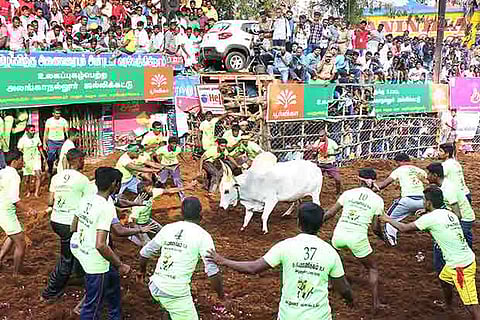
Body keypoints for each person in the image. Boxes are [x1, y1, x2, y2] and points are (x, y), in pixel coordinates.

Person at [207, 202, 353, 319]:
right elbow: (344, 288)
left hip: (289, 315)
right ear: (321, 224)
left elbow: (254, 268)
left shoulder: (286, 246)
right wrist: (349, 300)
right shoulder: (330, 252)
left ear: (298, 223)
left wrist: (223, 260)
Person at [381, 185, 480, 320]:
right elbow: (437, 225)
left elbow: (404, 228)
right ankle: (449, 306)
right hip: (459, 261)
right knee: (443, 278)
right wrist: (427, 214)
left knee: (471, 304)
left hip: (460, 267)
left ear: (428, 202)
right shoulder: (450, 214)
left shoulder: (430, 219)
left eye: (424, 200)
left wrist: (387, 219)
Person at [137, 197, 226, 320]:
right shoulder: (203, 236)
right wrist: (221, 297)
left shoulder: (168, 228)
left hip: (155, 286)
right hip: (175, 293)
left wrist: (142, 272)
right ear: (201, 214)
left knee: (169, 308)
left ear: (182, 213)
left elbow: (144, 253)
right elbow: (212, 272)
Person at [71, 167, 131, 319]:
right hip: (94, 260)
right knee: (92, 306)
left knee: (112, 279)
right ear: (114, 184)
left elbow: (73, 226)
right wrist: (120, 265)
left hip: (79, 248)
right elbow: (101, 245)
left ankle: (115, 315)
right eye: (119, 183)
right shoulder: (105, 207)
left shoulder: (86, 198)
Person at [323, 168, 384, 311]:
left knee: (335, 257)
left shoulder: (348, 193)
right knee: (372, 268)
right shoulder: (378, 200)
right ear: (374, 182)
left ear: (358, 180)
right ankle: (376, 303)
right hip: (357, 238)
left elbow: (331, 213)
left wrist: (317, 222)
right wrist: (382, 236)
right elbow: (375, 228)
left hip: (339, 235)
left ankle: (331, 284)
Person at [41, 149, 90, 302]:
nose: (84, 162)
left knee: (75, 247)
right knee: (66, 259)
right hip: (70, 223)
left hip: (56, 220)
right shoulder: (83, 180)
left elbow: (50, 201)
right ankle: (49, 292)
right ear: (79, 160)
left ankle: (79, 275)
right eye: (83, 160)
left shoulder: (56, 177)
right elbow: (88, 203)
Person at [374, 153, 426, 247]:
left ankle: (392, 243)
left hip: (407, 200)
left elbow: (383, 185)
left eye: (397, 163)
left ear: (400, 162)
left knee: (388, 220)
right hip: (424, 201)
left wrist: (370, 189)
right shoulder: (419, 170)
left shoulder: (399, 170)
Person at [426, 162, 474, 249]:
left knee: (450, 242)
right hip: (464, 215)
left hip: (464, 219)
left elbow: (458, 215)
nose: (427, 176)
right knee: (464, 241)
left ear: (435, 175)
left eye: (428, 173)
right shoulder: (444, 184)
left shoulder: (448, 189)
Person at [0, 151, 32, 276]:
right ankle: (16, 274)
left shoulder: (2, 171)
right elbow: (14, 199)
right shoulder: (14, 175)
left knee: (13, 234)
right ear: (14, 161)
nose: (22, 162)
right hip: (6, 212)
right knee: (21, 244)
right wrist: (29, 209)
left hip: (3, 209)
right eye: (21, 159)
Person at [17, 124, 46, 198]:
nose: (33, 132)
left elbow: (40, 148)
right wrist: (22, 161)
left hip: (36, 159)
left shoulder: (37, 138)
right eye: (31, 130)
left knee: (38, 175)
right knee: (27, 178)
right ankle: (28, 191)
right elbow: (20, 151)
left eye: (34, 130)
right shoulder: (22, 140)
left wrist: (44, 158)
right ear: (27, 131)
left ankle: (36, 193)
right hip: (27, 160)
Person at [310, 129, 342, 195]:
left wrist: (330, 155)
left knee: (337, 179)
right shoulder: (317, 142)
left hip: (330, 164)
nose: (320, 137)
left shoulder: (332, 142)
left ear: (325, 135)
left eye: (321, 136)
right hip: (320, 164)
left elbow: (339, 151)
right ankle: (313, 192)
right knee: (313, 179)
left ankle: (338, 193)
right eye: (319, 136)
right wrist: (315, 152)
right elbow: (314, 154)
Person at [155, 136, 186, 201]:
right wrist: (158, 163)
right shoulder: (162, 149)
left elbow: (180, 154)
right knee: (162, 180)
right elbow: (154, 155)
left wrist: (184, 160)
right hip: (165, 166)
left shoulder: (178, 149)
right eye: (172, 143)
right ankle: (156, 193)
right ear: (169, 143)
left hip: (174, 165)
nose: (174, 145)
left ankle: (182, 196)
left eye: (175, 143)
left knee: (177, 180)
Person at [43, 108, 69, 177]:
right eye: (56, 113)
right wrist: (44, 143)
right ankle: (50, 169)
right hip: (51, 141)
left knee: (62, 156)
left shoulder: (63, 121)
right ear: (53, 113)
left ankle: (61, 171)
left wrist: (68, 141)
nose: (58, 115)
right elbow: (46, 132)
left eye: (59, 113)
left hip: (61, 141)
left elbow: (66, 132)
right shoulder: (49, 121)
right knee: (50, 156)